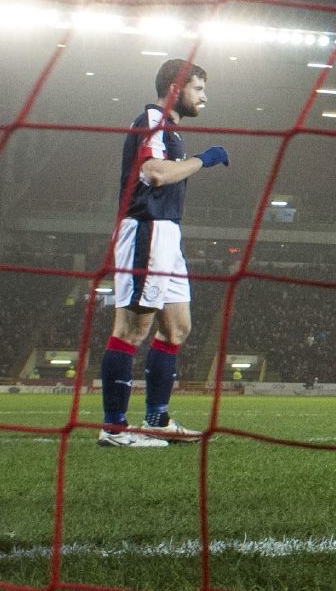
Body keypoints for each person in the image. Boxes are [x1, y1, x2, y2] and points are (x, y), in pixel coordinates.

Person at [98, 59, 228, 447]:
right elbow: (153, 173)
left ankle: (156, 420)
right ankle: (115, 427)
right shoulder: (152, 121)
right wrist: (203, 160)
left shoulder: (169, 128)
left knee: (177, 328)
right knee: (132, 329)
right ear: (176, 88)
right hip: (147, 229)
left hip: (167, 232)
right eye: (198, 88)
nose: (204, 97)